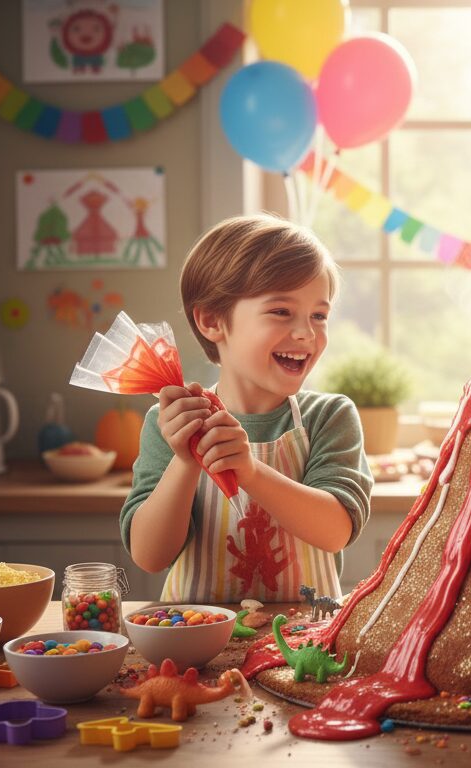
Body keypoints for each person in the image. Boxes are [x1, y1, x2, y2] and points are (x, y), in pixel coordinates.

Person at [121, 215, 373, 602]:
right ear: (211, 320)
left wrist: (250, 472)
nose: (307, 332)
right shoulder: (167, 424)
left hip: (304, 643)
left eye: (319, 315)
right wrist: (186, 460)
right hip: (193, 642)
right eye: (281, 311)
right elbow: (149, 555)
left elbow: (335, 531)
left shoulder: (330, 416)